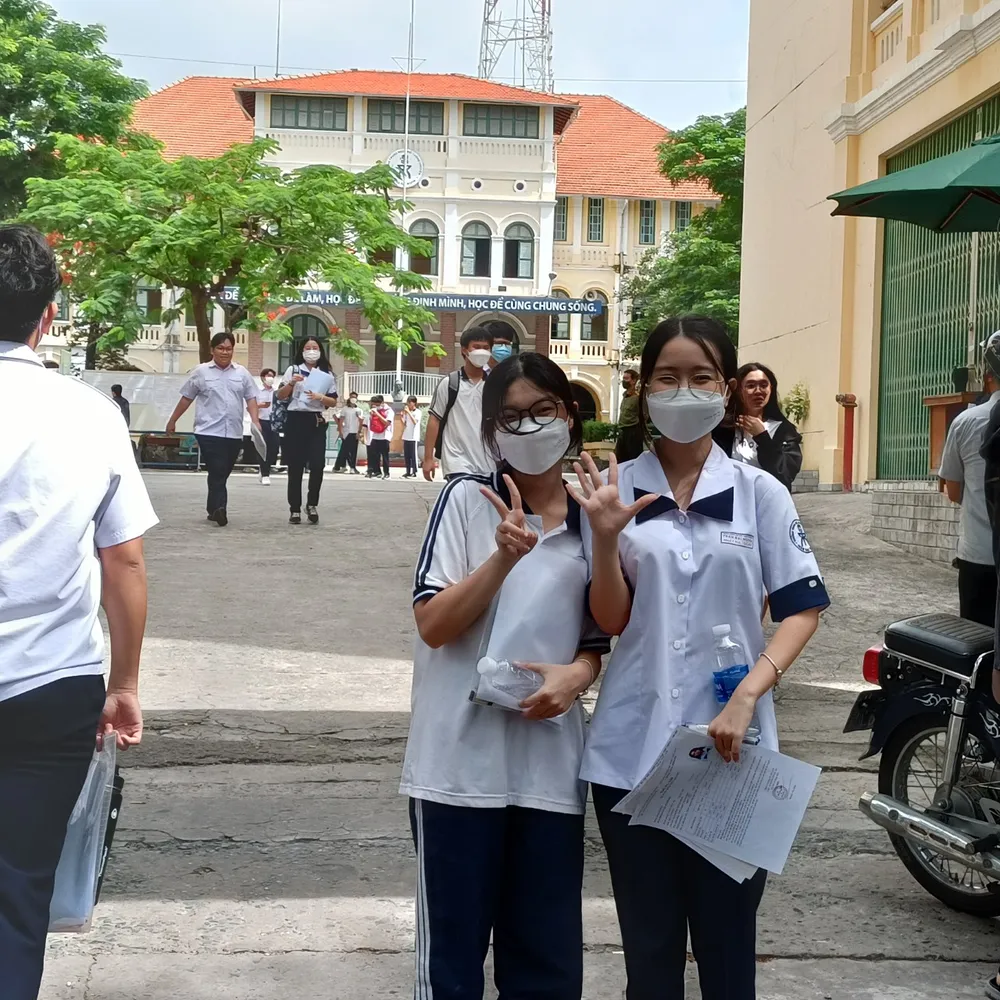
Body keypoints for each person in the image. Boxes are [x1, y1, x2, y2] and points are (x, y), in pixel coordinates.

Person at [571, 316, 829, 1000]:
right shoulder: (615, 492)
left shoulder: (759, 495)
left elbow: (802, 607)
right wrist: (602, 540)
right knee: (650, 959)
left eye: (701, 376)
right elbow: (610, 619)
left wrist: (750, 691)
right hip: (633, 753)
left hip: (732, 750)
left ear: (728, 388)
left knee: (726, 952)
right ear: (642, 389)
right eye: (667, 377)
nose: (684, 391)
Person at [404, 351, 610, 1000]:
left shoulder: (591, 519)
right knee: (453, 968)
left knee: (546, 965)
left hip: (547, 774)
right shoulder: (468, 501)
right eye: (510, 417)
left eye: (541, 412)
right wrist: (500, 558)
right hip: (457, 774)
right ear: (490, 431)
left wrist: (578, 676)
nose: (527, 428)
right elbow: (434, 624)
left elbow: (598, 637)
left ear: (568, 416)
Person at [0, 223, 158, 999]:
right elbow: (123, 559)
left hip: (49, 685)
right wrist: (123, 681)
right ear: (48, 316)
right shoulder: (88, 413)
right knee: (18, 894)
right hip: (51, 683)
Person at [166, 331, 260, 526]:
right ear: (212, 350)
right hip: (207, 431)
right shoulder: (201, 372)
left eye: (228, 348)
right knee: (217, 468)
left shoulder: (242, 373)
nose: (225, 352)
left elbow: (251, 398)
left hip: (233, 432)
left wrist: (255, 420)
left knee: (222, 472)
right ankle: (221, 509)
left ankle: (212, 507)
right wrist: (173, 420)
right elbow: (187, 398)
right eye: (220, 348)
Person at [939, 366, 999, 627]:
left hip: (979, 556)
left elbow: (952, 490)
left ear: (988, 378)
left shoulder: (967, 421)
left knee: (978, 643)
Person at [277, 337, 338, 524]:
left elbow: (333, 401)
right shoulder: (293, 370)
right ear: (301, 351)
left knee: (318, 465)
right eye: (307, 348)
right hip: (296, 420)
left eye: (315, 348)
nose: (311, 351)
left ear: (321, 350)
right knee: (295, 466)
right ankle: (294, 508)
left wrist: (321, 397)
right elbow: (280, 396)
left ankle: (312, 504)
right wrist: (292, 384)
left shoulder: (326, 374)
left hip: (316, 421)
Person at [422, 326, 494, 481]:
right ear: (464, 350)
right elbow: (434, 420)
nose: (481, 352)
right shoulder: (450, 384)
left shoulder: (494, 386)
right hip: (457, 462)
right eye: (476, 347)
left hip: (488, 463)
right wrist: (428, 458)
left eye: (486, 348)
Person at [719, 362, 803, 491]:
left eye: (764, 385)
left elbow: (784, 475)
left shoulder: (785, 431)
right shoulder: (722, 428)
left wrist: (762, 437)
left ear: (771, 389)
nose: (758, 391)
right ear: (738, 389)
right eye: (751, 385)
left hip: (768, 503)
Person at [255, 368, 279, 484]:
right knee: (263, 447)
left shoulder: (276, 392)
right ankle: (265, 474)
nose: (270, 378)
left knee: (273, 448)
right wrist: (260, 406)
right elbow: (250, 406)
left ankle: (265, 468)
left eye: (272, 376)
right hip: (261, 420)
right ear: (263, 377)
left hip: (273, 422)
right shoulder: (257, 391)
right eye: (268, 376)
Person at [615, 368, 643, 463]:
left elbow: (644, 415)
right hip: (622, 430)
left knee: (633, 460)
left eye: (626, 379)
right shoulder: (625, 396)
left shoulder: (638, 398)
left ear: (633, 380)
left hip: (633, 431)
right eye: (623, 378)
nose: (624, 381)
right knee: (619, 460)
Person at [364, 394, 394, 480]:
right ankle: (377, 471)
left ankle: (386, 473)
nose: (375, 406)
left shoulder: (389, 411)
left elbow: (387, 423)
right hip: (375, 435)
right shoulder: (374, 410)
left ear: (381, 403)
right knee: (374, 455)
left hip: (385, 436)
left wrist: (377, 414)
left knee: (384, 456)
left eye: (377, 404)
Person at [333, 391, 362, 474]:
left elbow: (360, 422)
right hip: (346, 432)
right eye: (352, 397)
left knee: (353, 451)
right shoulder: (345, 409)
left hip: (355, 432)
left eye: (355, 397)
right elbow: (340, 420)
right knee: (345, 450)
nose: (353, 399)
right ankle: (343, 466)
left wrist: (359, 432)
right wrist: (340, 431)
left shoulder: (359, 410)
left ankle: (351, 467)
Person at [402, 395, 421, 478]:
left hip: (414, 437)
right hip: (406, 436)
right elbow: (405, 424)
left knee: (413, 456)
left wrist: (408, 412)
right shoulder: (407, 412)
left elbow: (414, 422)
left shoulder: (417, 412)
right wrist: (402, 416)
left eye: (410, 402)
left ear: (414, 403)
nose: (408, 404)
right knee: (407, 456)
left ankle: (414, 471)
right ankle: (408, 471)